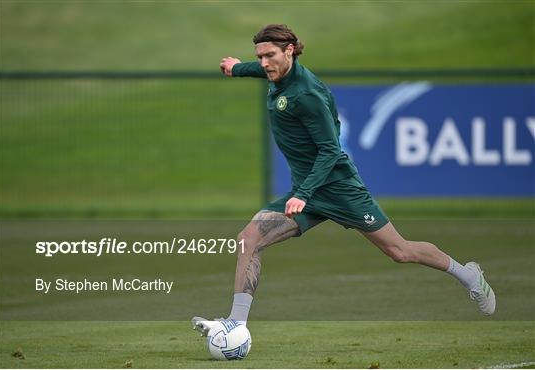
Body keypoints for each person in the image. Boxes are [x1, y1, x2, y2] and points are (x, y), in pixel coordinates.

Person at [192, 24, 495, 335]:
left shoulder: (306, 95)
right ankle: (236, 325)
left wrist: (304, 193)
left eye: (270, 56)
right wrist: (238, 68)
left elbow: (330, 150)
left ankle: (468, 275)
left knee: (400, 251)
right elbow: (263, 68)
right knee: (249, 239)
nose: (265, 63)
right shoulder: (279, 74)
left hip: (338, 188)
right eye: (260, 56)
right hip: (305, 192)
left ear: (291, 51)